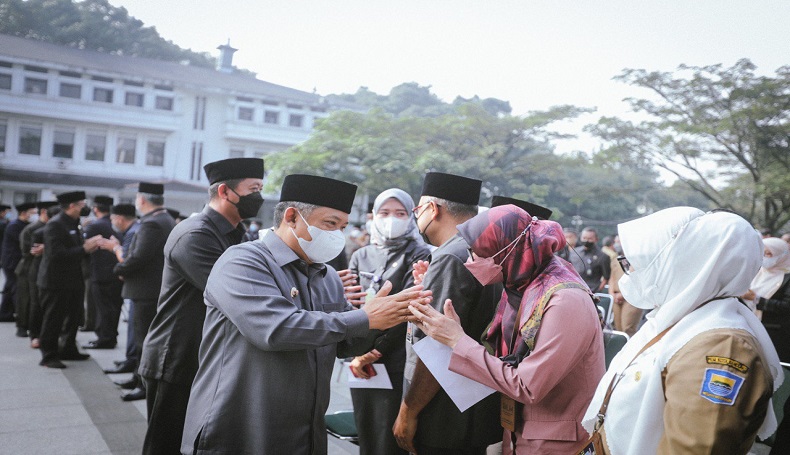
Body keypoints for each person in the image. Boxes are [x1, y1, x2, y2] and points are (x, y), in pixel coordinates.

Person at [180, 174, 431, 454]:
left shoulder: (326, 276)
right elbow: (276, 330)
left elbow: (347, 342)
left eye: (343, 226)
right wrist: (365, 318)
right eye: (330, 224)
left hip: (303, 428)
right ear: (291, 217)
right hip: (241, 423)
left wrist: (394, 312)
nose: (338, 235)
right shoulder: (243, 261)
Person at [581, 207, 783, 454]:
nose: (631, 272)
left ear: (685, 264)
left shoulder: (721, 346)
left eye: (640, 263)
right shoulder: (679, 319)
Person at [408, 204, 605, 454]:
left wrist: (457, 340)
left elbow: (528, 385)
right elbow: (507, 360)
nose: (469, 261)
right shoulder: (520, 286)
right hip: (523, 434)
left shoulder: (565, 300)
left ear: (504, 251)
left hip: (558, 443)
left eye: (476, 252)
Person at [139, 158, 264, 455]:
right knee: (165, 443)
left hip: (205, 354)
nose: (258, 197)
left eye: (260, 188)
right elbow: (238, 294)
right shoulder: (195, 235)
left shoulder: (238, 234)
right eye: (253, 189)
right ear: (225, 191)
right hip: (177, 355)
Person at [394, 172, 502, 455]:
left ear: (433, 209)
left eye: (417, 210)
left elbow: (437, 347)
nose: (416, 218)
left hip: (443, 412)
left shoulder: (450, 256)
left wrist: (409, 411)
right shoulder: (484, 249)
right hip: (474, 405)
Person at [347, 188, 431, 455]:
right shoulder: (361, 255)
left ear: (410, 217)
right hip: (359, 358)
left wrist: (375, 351)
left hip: (394, 358)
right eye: (384, 213)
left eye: (400, 213)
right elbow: (352, 303)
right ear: (374, 216)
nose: (391, 219)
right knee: (366, 428)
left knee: (390, 435)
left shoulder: (418, 254)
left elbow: (407, 308)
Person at [110, 182, 176, 400]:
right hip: (151, 290)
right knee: (144, 340)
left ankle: (144, 385)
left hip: (147, 291)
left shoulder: (152, 223)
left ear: (142, 200)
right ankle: (138, 378)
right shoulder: (162, 219)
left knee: (143, 341)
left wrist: (120, 267)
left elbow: (138, 258)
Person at [37, 192, 103, 368]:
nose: (84, 207)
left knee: (74, 316)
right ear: (72, 206)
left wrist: (88, 247)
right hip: (55, 281)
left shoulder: (74, 223)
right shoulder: (55, 225)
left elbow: (74, 248)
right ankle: (48, 355)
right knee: (54, 318)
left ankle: (68, 348)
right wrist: (84, 249)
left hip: (73, 279)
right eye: (81, 204)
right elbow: (56, 255)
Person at [101, 204, 139, 375]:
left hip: (139, 288)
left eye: (112, 219)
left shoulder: (133, 232)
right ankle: (131, 360)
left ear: (119, 218)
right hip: (138, 287)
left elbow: (126, 260)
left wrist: (114, 248)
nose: (112, 222)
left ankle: (133, 362)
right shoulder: (135, 230)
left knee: (135, 328)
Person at [82, 196, 123, 350]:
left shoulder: (94, 226)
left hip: (100, 273)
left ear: (95, 209)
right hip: (117, 271)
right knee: (113, 307)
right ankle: (110, 336)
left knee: (103, 308)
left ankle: (104, 338)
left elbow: (85, 249)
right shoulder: (116, 225)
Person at [24, 202, 59, 348]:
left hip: (52, 272)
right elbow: (29, 252)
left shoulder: (57, 230)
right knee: (36, 304)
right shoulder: (35, 230)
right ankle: (35, 335)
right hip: (37, 271)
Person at [1, 202, 37, 325]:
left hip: (15, 260)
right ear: (24, 213)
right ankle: (20, 315)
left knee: (9, 287)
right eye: (32, 213)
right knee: (15, 287)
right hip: (12, 261)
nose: (34, 215)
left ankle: (5, 313)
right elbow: (25, 241)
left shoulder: (24, 225)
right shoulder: (14, 226)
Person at [608, 234, 642, 337]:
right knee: (618, 331)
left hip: (631, 297)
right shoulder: (615, 258)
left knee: (628, 329)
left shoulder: (635, 259)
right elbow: (611, 278)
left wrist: (622, 294)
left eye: (620, 242)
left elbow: (637, 280)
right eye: (616, 242)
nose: (617, 244)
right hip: (616, 298)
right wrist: (612, 294)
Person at [570, 227, 610, 293]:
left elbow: (606, 277)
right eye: (584, 238)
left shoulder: (603, 256)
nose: (586, 241)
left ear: (596, 239)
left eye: (590, 239)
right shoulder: (574, 252)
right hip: (575, 290)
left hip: (593, 291)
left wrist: (598, 291)